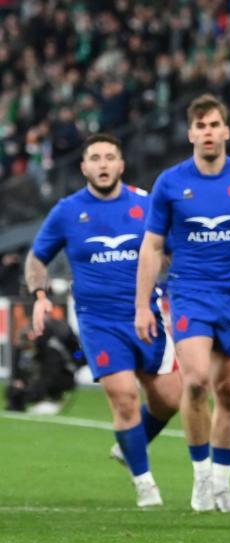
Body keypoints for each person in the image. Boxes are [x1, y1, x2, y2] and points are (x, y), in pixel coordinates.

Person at [135, 95, 230, 513]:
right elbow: (151, 246)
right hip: (188, 293)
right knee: (196, 381)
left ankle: (223, 484)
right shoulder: (170, 182)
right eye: (200, 126)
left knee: (229, 391)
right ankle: (201, 476)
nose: (207, 132)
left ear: (226, 131)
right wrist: (141, 306)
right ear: (191, 134)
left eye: (214, 124)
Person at [25, 133, 181, 507]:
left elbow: (173, 254)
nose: (103, 164)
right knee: (125, 397)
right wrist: (40, 297)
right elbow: (36, 259)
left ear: (121, 165)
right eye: (95, 158)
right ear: (84, 167)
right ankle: (146, 485)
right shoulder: (67, 211)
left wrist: (178, 299)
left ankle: (129, 447)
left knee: (169, 399)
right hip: (99, 321)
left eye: (110, 157)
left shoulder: (146, 205)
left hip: (146, 315)